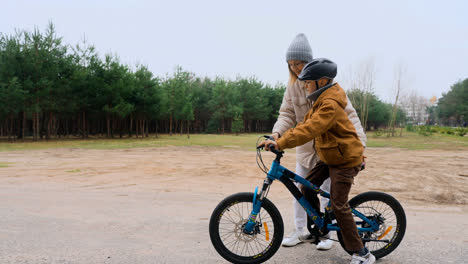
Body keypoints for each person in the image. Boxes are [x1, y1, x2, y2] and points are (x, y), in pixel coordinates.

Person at [260, 58, 375, 264]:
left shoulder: (329, 104)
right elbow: (301, 122)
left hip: (345, 159)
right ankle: (319, 228)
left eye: (308, 81)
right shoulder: (320, 99)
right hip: (331, 155)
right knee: (307, 188)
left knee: (338, 205)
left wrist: (282, 143)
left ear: (321, 82)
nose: (304, 84)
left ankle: (362, 253)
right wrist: (278, 137)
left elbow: (310, 129)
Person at [272, 33, 366, 249]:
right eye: (291, 64)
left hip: (333, 150)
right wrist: (277, 135)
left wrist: (360, 148)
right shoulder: (295, 87)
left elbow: (350, 119)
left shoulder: (328, 93)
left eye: (299, 63)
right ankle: (301, 231)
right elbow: (287, 114)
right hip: (307, 149)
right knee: (302, 189)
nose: (295, 68)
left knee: (330, 197)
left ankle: (329, 238)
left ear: (309, 64)